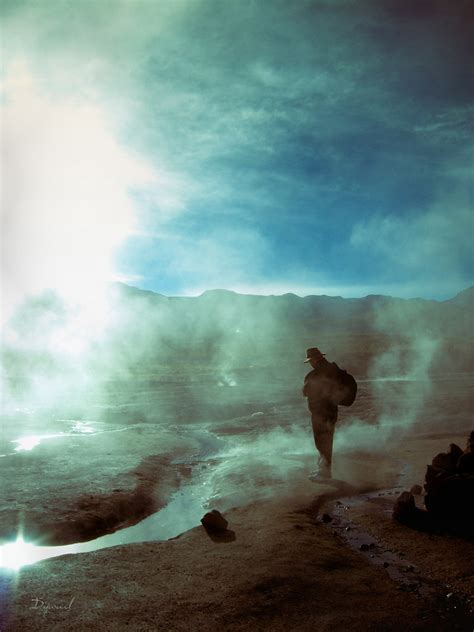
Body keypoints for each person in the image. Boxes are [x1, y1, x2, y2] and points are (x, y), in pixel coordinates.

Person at [302, 347, 345, 479]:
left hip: (321, 413)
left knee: (322, 441)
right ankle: (324, 469)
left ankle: (325, 472)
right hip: (331, 411)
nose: (311, 363)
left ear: (315, 359)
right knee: (327, 440)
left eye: (311, 360)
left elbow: (305, 392)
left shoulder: (315, 375)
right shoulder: (333, 370)